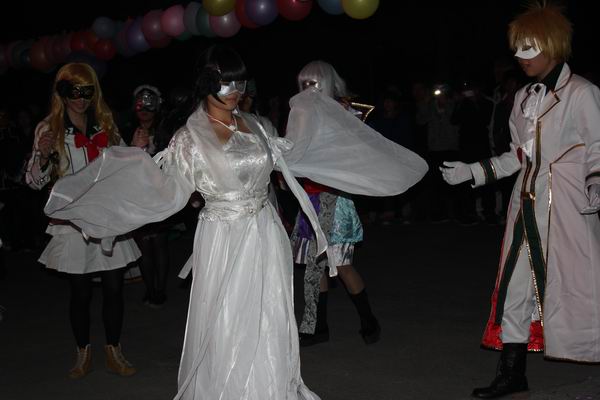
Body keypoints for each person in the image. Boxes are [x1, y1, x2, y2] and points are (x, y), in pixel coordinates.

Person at [43, 45, 427, 399]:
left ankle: (269, 387)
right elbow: (163, 192)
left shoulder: (256, 124)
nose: (234, 91)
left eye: (240, 83)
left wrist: (325, 124)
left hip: (265, 232)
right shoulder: (189, 138)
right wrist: (102, 207)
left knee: (268, 315)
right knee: (229, 320)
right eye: (226, 83)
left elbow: (289, 158)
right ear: (206, 83)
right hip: (223, 237)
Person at [440, 3, 600, 398]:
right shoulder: (525, 97)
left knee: (577, 285)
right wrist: (473, 171)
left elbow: (598, 144)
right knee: (514, 286)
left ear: (552, 45)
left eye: (529, 47)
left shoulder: (582, 93)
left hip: (566, 206)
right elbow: (517, 156)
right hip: (524, 204)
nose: (520, 56)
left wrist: (596, 182)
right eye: (517, 48)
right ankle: (512, 373)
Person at [25, 63, 140, 379]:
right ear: (62, 93)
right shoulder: (49, 128)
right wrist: (43, 156)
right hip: (74, 222)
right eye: (73, 92)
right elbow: (33, 182)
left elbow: (125, 164)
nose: (80, 99)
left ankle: (114, 351)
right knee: (81, 292)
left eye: (86, 92)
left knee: (114, 288)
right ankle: (83, 353)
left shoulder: (105, 124)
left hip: (107, 219)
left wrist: (138, 148)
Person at [289, 61, 380, 346]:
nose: (308, 89)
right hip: (310, 196)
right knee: (315, 263)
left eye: (313, 83)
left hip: (335, 197)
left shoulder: (344, 111)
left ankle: (368, 320)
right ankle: (318, 327)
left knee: (341, 264)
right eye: (304, 84)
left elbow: (355, 152)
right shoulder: (303, 112)